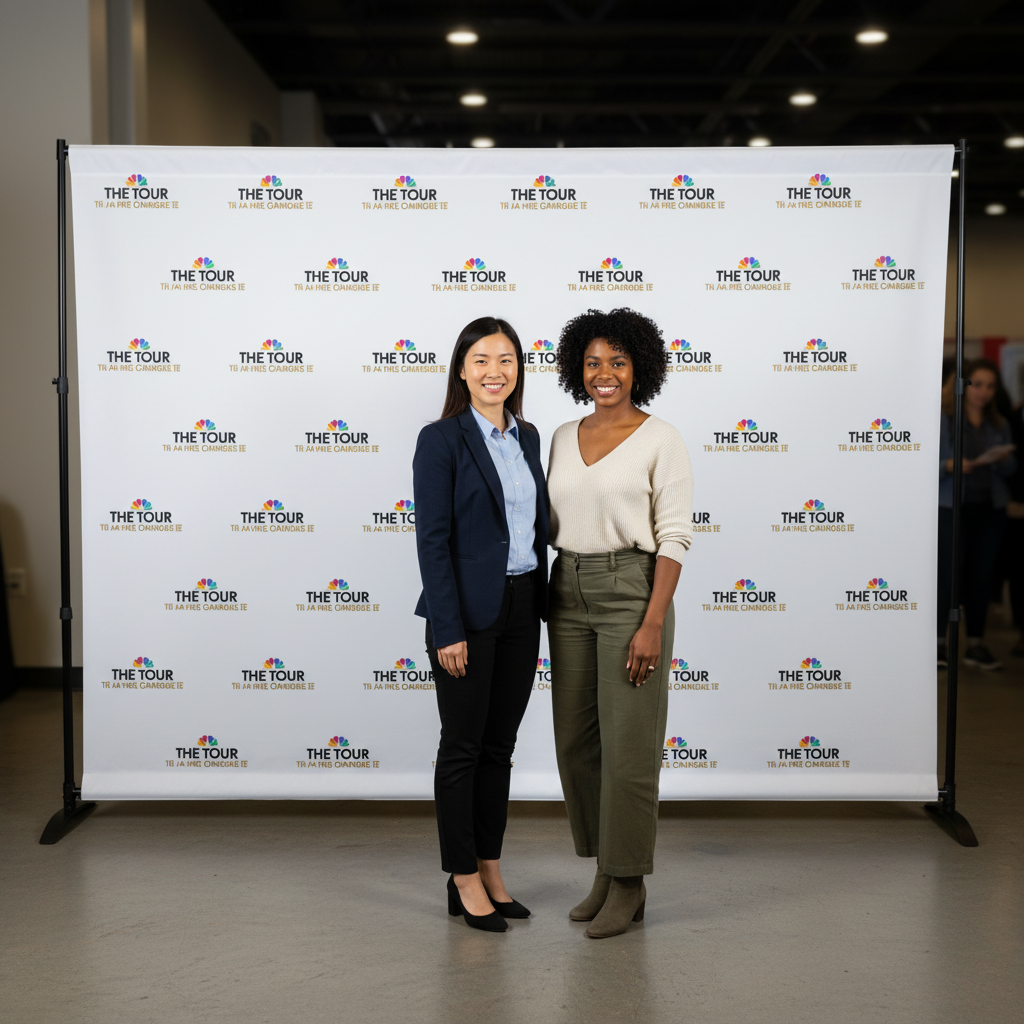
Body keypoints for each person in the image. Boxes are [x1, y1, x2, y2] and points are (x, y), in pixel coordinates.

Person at [546, 307, 692, 939]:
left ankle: (629, 884)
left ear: (640, 368)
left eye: (618, 362)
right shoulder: (559, 435)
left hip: (631, 590)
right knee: (578, 743)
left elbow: (675, 537)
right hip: (566, 590)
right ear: (578, 369)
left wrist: (652, 621)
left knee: (630, 746)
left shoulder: (661, 438)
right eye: (593, 363)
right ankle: (605, 872)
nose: (605, 374)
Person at [412, 316, 549, 932]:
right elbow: (432, 542)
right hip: (465, 615)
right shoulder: (440, 439)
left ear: (519, 370)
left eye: (507, 361)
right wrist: (447, 628)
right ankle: (461, 875)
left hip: (523, 608)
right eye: (482, 360)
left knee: (501, 748)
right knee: (462, 748)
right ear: (462, 370)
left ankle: (491, 867)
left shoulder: (528, 437)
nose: (496, 372)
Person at [938, 358, 1016, 670]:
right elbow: (925, 461)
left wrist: (1001, 459)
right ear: (962, 384)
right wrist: (948, 465)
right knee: (948, 575)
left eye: (990, 386)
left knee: (981, 577)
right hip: (951, 507)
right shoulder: (944, 418)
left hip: (988, 509)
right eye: (977, 384)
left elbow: (1011, 470)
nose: (983, 392)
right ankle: (939, 644)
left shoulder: (999, 423)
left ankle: (975, 644)